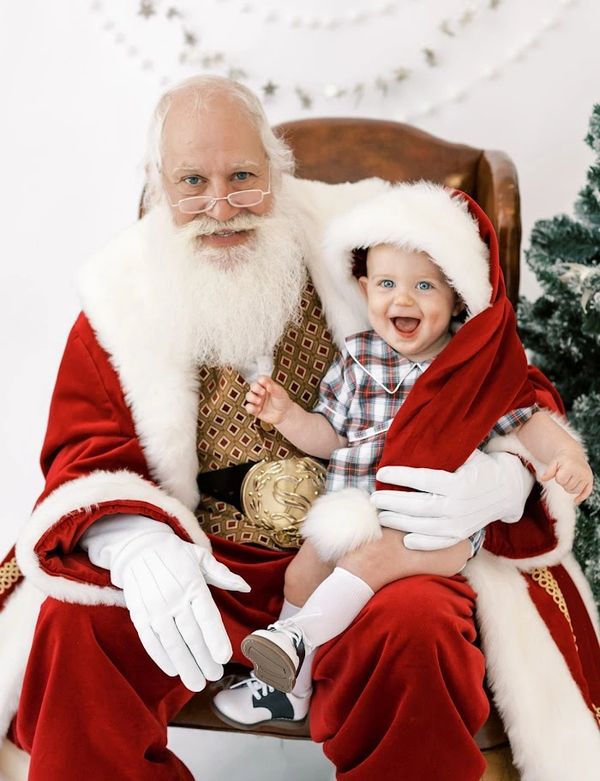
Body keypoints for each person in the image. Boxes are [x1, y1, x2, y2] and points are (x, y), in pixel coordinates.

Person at [0, 75, 597, 781]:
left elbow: (493, 361)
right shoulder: (121, 296)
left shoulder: (366, 248)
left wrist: (506, 478)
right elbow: (85, 448)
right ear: (159, 186)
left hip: (361, 546)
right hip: (205, 560)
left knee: (418, 625)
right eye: (192, 182)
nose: (221, 206)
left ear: (276, 168)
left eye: (242, 176)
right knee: (77, 628)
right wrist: (134, 543)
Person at [220, 182, 594, 712]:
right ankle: (289, 690)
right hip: (356, 508)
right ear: (364, 288)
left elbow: (528, 417)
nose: (402, 299)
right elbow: (331, 437)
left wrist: (567, 455)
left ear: (455, 295)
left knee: (374, 556)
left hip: (436, 525)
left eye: (423, 286)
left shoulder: (471, 365)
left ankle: (298, 635)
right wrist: (288, 417)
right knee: (302, 570)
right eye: (387, 284)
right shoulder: (357, 358)